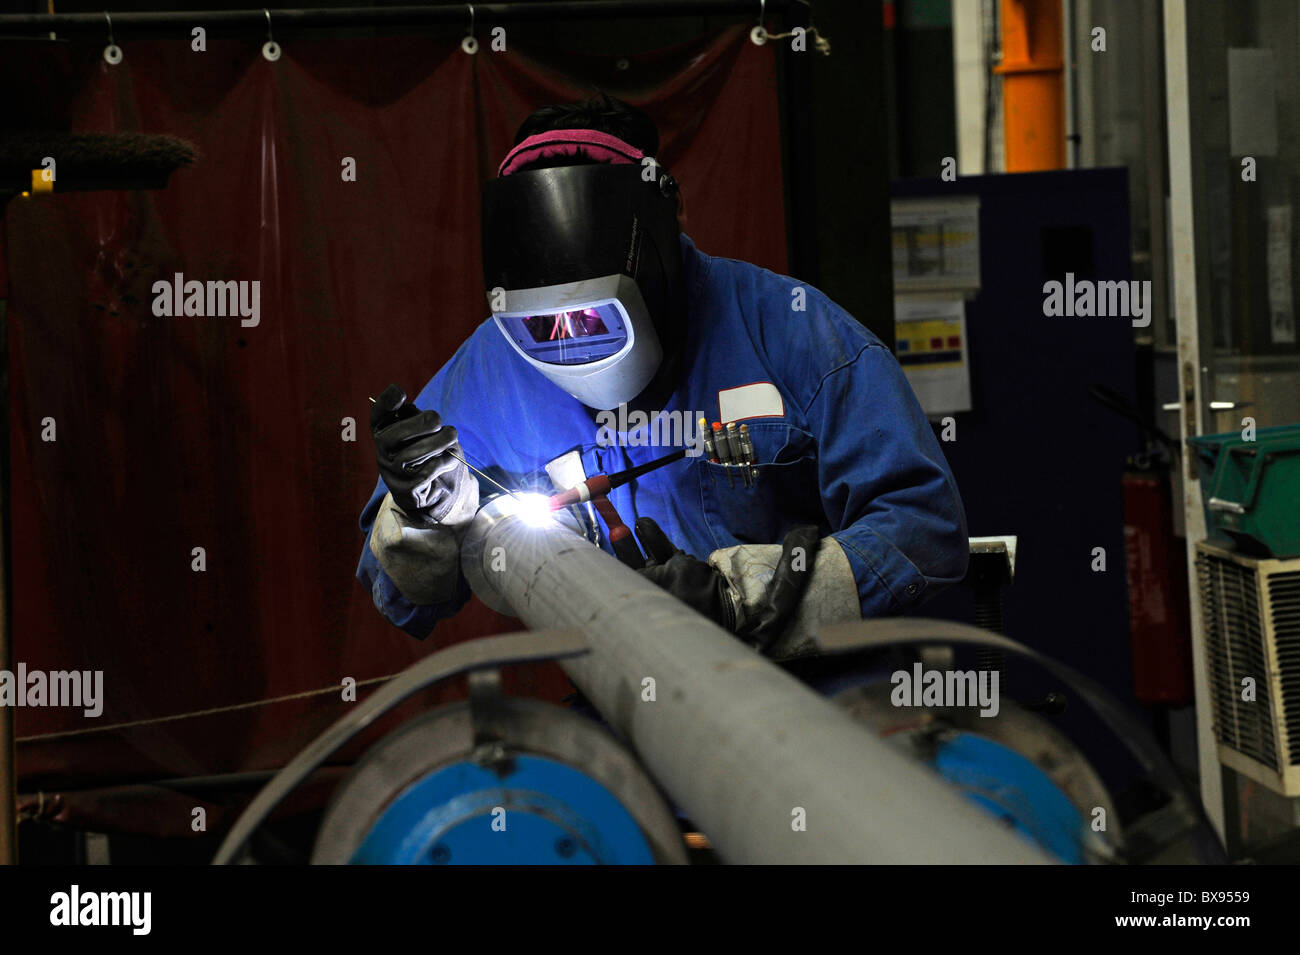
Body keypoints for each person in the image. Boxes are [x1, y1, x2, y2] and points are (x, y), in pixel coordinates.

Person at [358, 93, 968, 658]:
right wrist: (424, 514)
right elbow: (398, 592)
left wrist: (741, 599)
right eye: (545, 328)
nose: (570, 338)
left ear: (666, 221)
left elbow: (924, 527)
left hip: (810, 690)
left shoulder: (793, 330)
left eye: (594, 315)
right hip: (626, 700)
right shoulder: (494, 366)